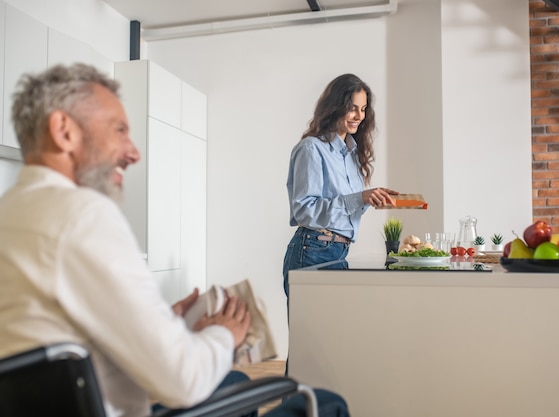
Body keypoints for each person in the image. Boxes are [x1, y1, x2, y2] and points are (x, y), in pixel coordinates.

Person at [0, 63, 349, 417]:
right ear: (64, 131)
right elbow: (184, 381)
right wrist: (225, 334)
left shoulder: (12, 213)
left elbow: (65, 337)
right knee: (326, 404)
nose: (133, 152)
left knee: (232, 382)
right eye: (119, 130)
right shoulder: (83, 215)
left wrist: (163, 323)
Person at [282, 73, 398, 296]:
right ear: (335, 107)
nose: (359, 116)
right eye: (352, 108)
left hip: (338, 251)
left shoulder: (351, 154)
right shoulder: (311, 148)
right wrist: (360, 198)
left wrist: (371, 199)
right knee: (311, 330)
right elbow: (304, 210)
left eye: (363, 109)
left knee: (332, 330)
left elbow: (344, 207)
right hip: (313, 250)